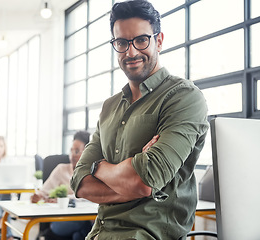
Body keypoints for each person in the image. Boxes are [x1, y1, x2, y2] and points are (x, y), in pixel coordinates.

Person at [70, 1, 209, 239]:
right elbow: (80, 183)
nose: (131, 52)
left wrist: (101, 168)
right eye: (122, 43)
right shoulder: (109, 107)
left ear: (159, 40)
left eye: (141, 40)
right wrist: (122, 176)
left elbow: (144, 181)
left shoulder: (183, 97)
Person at [31, 131, 92, 240]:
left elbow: (91, 197)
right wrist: (38, 196)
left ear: (87, 152)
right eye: (71, 150)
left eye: (77, 151)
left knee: (78, 235)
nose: (72, 155)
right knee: (87, 225)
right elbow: (43, 192)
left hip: (84, 218)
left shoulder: (91, 174)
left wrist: (65, 199)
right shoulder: (61, 169)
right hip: (61, 221)